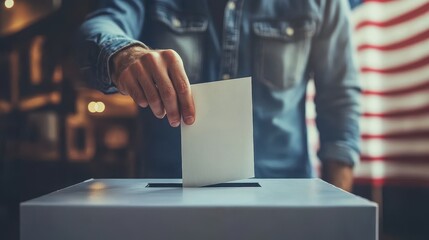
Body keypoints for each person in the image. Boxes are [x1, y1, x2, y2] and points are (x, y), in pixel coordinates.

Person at [78, 0, 360, 191]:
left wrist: (336, 213)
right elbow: (96, 29)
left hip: (284, 198)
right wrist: (124, 54)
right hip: (166, 201)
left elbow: (339, 101)